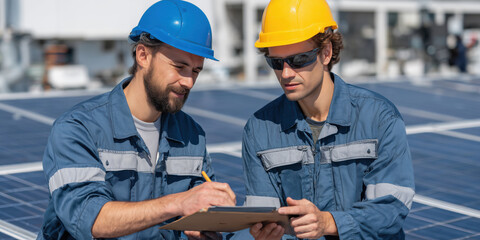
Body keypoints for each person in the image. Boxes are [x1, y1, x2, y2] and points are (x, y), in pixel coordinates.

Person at [37, 0, 236, 239]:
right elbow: (90, 219)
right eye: (179, 67)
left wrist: (208, 226)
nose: (189, 82)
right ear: (143, 55)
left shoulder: (191, 136)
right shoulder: (78, 129)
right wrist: (179, 203)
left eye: (196, 71)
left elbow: (196, 213)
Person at [241, 0, 415, 239]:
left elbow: (391, 209)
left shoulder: (378, 118)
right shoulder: (259, 128)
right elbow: (262, 216)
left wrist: (329, 222)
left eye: (299, 59)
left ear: (326, 53)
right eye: (276, 62)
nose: (286, 73)